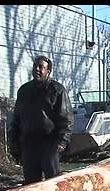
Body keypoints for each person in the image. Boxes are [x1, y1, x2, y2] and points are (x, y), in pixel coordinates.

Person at [9, 55, 74, 184]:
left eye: (41, 67)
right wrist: (13, 141)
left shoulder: (57, 90)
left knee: (53, 183)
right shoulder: (24, 91)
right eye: (35, 66)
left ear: (48, 71)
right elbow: (16, 119)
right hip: (28, 143)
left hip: (50, 143)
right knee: (31, 184)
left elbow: (66, 120)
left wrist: (62, 142)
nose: (37, 69)